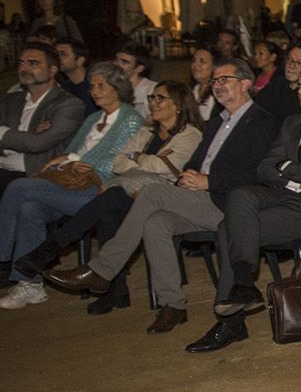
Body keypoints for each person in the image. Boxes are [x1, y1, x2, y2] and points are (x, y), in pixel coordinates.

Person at [44, 58, 277, 334]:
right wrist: (188, 178)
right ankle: (173, 305)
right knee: (156, 222)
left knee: (152, 193)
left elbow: (260, 173)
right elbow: (193, 163)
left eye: (224, 79)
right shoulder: (215, 124)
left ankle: (103, 270)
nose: (217, 86)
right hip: (200, 198)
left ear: (246, 84)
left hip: (231, 204)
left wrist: (209, 181)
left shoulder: (262, 122)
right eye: (214, 81)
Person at [184, 65, 301, 351]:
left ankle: (232, 320)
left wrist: (287, 166)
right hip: (284, 196)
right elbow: (264, 168)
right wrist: (294, 174)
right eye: (300, 85)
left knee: (226, 227)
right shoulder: (292, 123)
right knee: (241, 194)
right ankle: (243, 282)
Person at [11, 81, 203, 311]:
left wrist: (138, 158)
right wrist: (142, 159)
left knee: (112, 197)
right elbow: (119, 163)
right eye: (152, 97)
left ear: (179, 105)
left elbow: (161, 167)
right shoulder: (146, 132)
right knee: (108, 214)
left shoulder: (191, 135)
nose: (153, 102)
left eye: (160, 98)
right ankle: (116, 290)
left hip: (165, 197)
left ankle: (53, 248)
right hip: (130, 191)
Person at [0, 64, 145, 309]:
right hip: (71, 186)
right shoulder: (94, 118)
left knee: (18, 188)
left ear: (117, 88)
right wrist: (69, 159)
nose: (95, 91)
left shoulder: (131, 120)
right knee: (29, 209)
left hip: (97, 190)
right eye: (92, 86)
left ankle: (3, 260)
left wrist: (76, 160)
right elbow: (70, 152)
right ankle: (30, 284)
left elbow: (116, 162)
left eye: (102, 86)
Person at [0, 42, 87, 200]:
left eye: (34, 64)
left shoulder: (68, 104)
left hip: (34, 174)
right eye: (21, 63)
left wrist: (3, 133)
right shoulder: (10, 100)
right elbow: (33, 140)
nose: (24, 69)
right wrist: (28, 136)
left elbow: (38, 144)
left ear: (53, 70)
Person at [114, 43, 158, 120]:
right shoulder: (109, 86)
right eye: (116, 60)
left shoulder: (152, 90)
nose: (116, 65)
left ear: (139, 68)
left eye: (124, 62)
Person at [53, 40, 92, 110]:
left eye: (63, 54)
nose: (57, 58)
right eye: (55, 55)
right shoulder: (65, 87)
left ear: (80, 60)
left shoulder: (94, 84)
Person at [189, 46, 218, 121]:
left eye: (202, 61)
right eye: (193, 60)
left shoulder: (218, 95)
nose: (195, 65)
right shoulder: (191, 91)